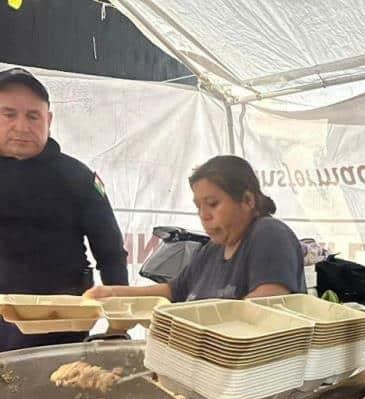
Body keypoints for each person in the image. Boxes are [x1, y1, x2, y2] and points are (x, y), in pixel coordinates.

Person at [0, 67, 128, 352]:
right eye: (9, 114)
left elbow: (111, 253)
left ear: (49, 120)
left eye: (33, 116)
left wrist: (118, 323)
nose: (21, 126)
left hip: (58, 322)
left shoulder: (78, 177)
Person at [85, 155, 305, 302]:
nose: (204, 215)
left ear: (247, 200)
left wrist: (191, 325)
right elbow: (172, 291)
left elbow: (270, 300)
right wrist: (114, 293)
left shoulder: (268, 233)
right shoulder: (212, 249)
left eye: (212, 204)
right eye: (198, 206)